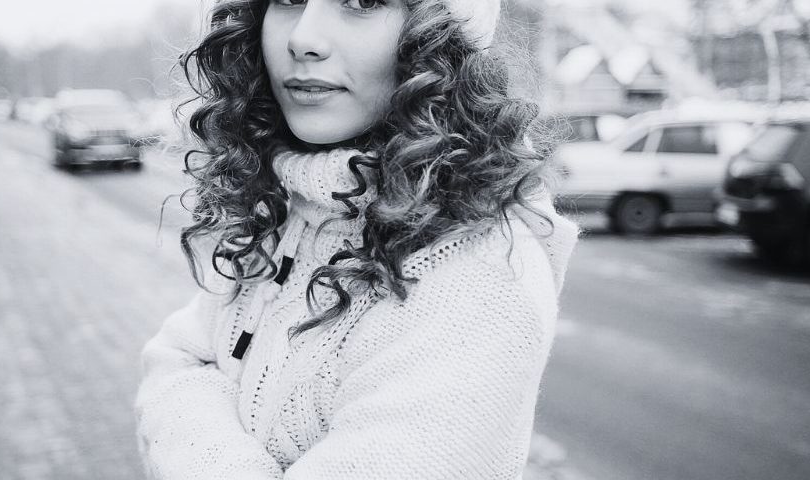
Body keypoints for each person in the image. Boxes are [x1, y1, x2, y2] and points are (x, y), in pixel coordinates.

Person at [135, 0, 579, 478]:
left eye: (362, 2)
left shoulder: (481, 273)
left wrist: (190, 422)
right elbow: (173, 358)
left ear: (442, 35)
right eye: (288, 0)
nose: (302, 39)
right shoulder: (295, 205)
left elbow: (178, 384)